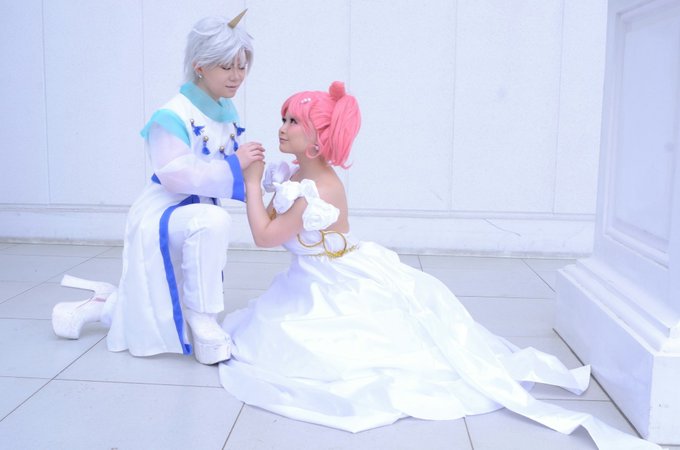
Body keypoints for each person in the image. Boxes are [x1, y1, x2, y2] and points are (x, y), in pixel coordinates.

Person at [219, 81, 661, 449]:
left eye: (293, 121)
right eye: (284, 118)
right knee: (274, 331)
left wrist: (251, 183)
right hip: (311, 275)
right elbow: (276, 222)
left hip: (334, 278)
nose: (282, 127)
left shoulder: (320, 190)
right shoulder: (298, 175)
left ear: (318, 139)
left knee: (365, 350)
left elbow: (264, 236)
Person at [51, 10, 264, 365]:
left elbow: (235, 164)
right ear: (200, 66)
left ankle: (104, 303)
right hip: (164, 211)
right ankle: (202, 316)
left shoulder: (225, 111)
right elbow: (175, 175)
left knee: (160, 293)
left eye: (242, 66)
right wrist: (235, 164)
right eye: (227, 66)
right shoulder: (172, 115)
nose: (237, 76)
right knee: (212, 221)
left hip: (196, 211)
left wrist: (273, 175)